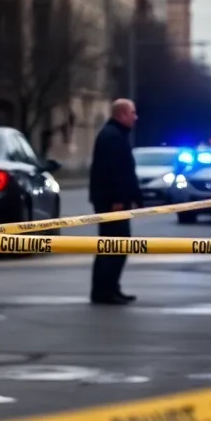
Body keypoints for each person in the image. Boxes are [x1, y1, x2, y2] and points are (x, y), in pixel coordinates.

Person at [88, 98, 142, 305]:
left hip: (115, 200)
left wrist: (135, 197)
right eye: (132, 113)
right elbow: (111, 172)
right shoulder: (112, 137)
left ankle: (111, 287)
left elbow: (126, 171)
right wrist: (118, 200)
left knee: (116, 245)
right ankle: (104, 290)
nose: (135, 118)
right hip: (112, 203)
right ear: (122, 114)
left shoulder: (117, 135)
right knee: (112, 246)